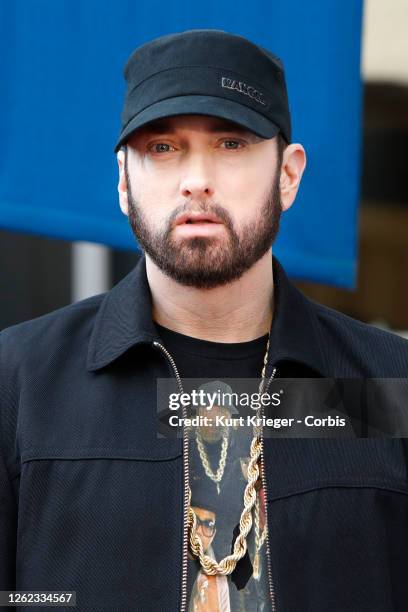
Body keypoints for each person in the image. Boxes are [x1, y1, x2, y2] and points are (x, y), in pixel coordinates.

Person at [1, 28, 408, 612]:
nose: (196, 179)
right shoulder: (19, 382)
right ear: (122, 179)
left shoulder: (387, 384)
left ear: (288, 175)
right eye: (162, 148)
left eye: (231, 143)